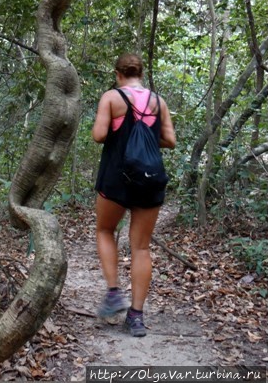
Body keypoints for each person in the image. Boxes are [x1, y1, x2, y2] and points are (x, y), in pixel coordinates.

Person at [91, 52, 176, 337]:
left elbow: (99, 135)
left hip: (116, 177)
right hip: (150, 178)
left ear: (118, 74)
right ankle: (136, 317)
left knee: (104, 230)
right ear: (141, 73)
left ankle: (114, 292)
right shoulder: (158, 101)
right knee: (141, 248)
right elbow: (170, 140)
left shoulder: (111, 98)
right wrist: (145, 139)